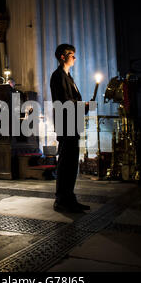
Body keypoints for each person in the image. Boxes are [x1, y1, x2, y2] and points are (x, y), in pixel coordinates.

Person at [50, 44, 90, 213]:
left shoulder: (69, 77)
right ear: (62, 57)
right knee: (65, 163)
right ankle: (61, 200)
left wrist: (84, 106)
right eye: (71, 55)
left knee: (72, 163)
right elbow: (64, 101)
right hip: (65, 123)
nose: (74, 58)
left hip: (73, 123)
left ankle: (69, 197)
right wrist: (82, 105)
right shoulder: (58, 76)